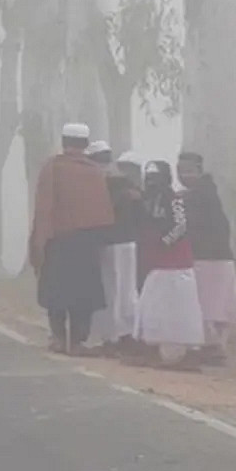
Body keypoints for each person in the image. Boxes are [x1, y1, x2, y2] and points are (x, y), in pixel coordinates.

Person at [29, 123, 115, 357]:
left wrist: (40, 239)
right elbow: (103, 213)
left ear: (64, 141)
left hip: (57, 240)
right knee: (83, 295)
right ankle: (78, 342)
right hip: (86, 244)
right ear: (86, 145)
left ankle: (58, 338)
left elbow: (44, 206)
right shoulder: (94, 172)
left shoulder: (52, 168)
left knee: (56, 291)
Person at [131, 160, 205, 371]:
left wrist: (165, 242)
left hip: (176, 262)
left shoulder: (174, 199)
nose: (152, 182)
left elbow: (181, 225)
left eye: (156, 177)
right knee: (152, 305)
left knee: (182, 308)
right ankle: (151, 347)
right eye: (149, 177)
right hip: (156, 261)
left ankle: (191, 352)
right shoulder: (147, 200)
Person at [178, 151, 236, 366]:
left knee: (204, 305)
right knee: (220, 306)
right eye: (180, 171)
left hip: (206, 257)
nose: (183, 175)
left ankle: (212, 347)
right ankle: (217, 347)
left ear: (199, 170)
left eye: (188, 171)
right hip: (222, 256)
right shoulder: (206, 192)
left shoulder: (195, 196)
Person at [88, 144, 142, 356]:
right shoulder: (120, 185)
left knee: (122, 290)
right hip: (114, 242)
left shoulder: (119, 186)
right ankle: (114, 336)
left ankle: (126, 335)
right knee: (114, 290)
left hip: (121, 242)